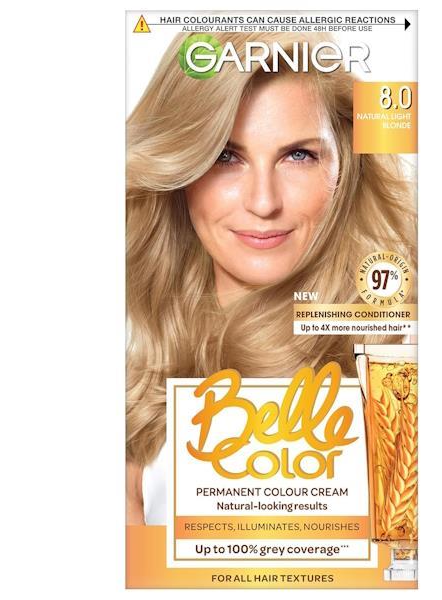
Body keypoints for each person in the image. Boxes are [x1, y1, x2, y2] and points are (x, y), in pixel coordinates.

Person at [126, 32, 417, 524]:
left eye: (298, 155)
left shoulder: (399, 361)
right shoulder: (134, 397)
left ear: (346, 167)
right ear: (180, 169)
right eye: (225, 156)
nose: (263, 202)